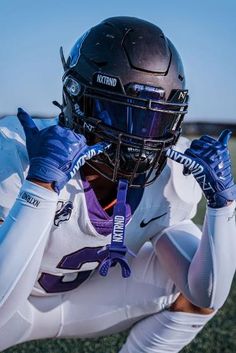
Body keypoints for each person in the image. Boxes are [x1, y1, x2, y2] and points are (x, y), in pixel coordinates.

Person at [0, 16, 235, 353]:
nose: (138, 137)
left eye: (154, 119)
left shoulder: (171, 174)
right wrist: (39, 185)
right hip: (10, 311)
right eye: (119, 113)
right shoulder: (13, 151)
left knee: (188, 272)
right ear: (76, 97)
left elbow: (206, 294)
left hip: (90, 303)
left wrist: (223, 207)